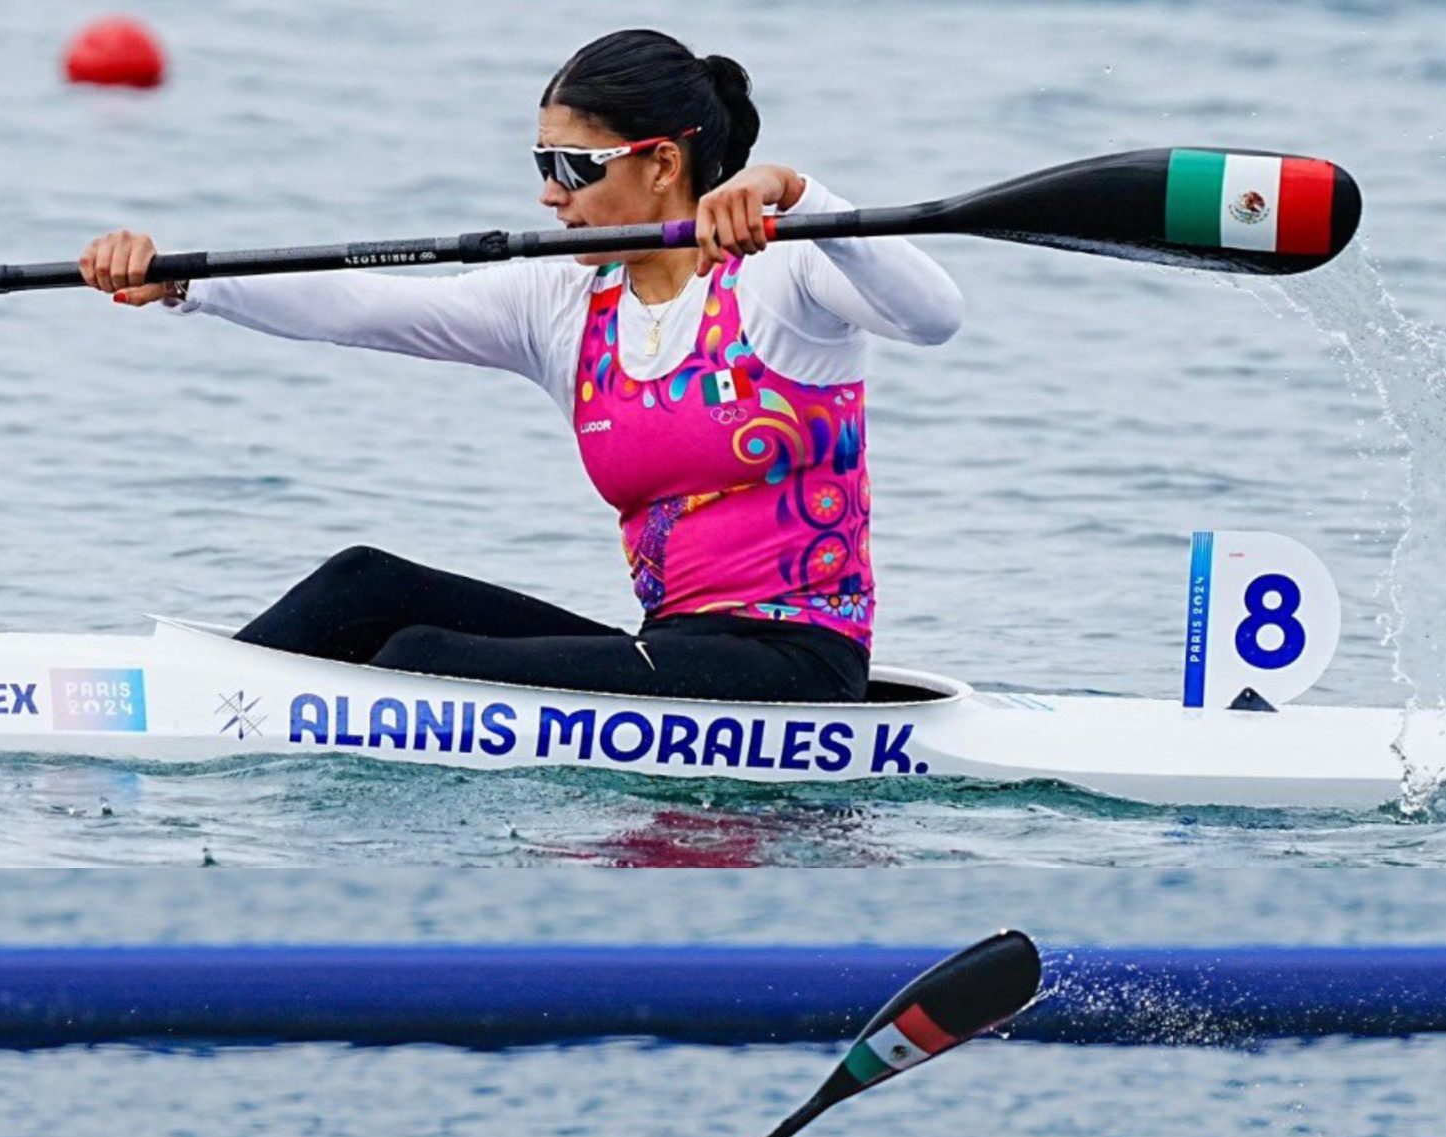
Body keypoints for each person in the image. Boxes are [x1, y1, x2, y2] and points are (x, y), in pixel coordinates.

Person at [79, 28, 963, 705]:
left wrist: (796, 193)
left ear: (662, 164)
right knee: (364, 586)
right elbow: (362, 307)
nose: (549, 194)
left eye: (572, 166)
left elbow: (933, 316)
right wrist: (185, 281)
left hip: (798, 665)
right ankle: (184, 709)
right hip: (676, 645)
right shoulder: (565, 305)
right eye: (542, 164)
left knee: (419, 663)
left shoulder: (785, 273)